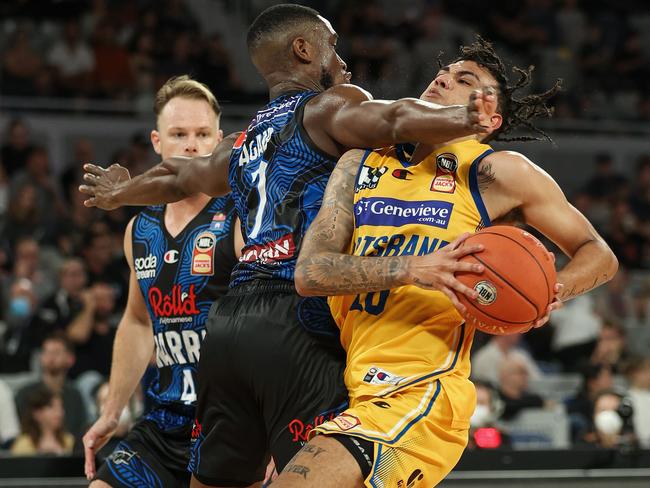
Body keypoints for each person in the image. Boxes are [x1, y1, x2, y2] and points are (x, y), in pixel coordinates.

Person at [79, 5, 497, 486]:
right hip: (299, 320)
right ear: (304, 50)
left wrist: (122, 193)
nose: (341, 61)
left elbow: (179, 176)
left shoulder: (245, 138)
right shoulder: (327, 106)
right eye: (332, 46)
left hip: (230, 328)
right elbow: (398, 116)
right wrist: (460, 118)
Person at [291, 36, 618, 486]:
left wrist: (550, 293)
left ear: (490, 119)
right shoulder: (359, 162)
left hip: (423, 391)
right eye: (442, 73)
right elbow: (310, 274)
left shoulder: (495, 171)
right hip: (350, 381)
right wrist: (412, 268)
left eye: (465, 80)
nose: (442, 78)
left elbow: (599, 253)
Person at [82, 75, 243, 487]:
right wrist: (112, 411)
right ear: (157, 142)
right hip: (163, 422)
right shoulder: (140, 227)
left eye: (202, 134)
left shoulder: (242, 217)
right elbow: (138, 322)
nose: (191, 144)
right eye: (179, 134)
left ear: (219, 141)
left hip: (231, 422)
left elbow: (275, 322)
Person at [15, 332, 88, 441]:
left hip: (69, 453)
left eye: (56, 352)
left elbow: (80, 432)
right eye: (46, 352)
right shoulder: (24, 394)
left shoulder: (75, 396)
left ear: (70, 359)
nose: (50, 357)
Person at [11, 385, 74, 456]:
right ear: (37, 413)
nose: (59, 413)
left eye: (60, 407)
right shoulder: (23, 444)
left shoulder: (69, 441)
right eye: (51, 407)